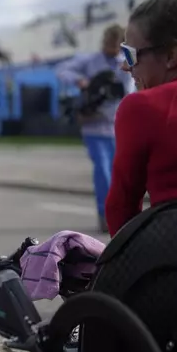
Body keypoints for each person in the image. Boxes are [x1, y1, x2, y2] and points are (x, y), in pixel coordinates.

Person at [105, 0, 177, 237]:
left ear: (171, 56)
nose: (125, 66)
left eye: (130, 55)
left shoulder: (142, 107)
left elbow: (121, 207)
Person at [55, 24, 135, 234]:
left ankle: (125, 216)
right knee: (104, 173)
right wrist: (81, 81)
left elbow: (130, 90)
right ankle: (105, 216)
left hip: (118, 126)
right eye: (108, 45)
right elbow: (62, 70)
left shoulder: (126, 62)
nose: (111, 49)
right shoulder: (90, 60)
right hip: (94, 127)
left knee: (122, 174)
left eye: (116, 46)